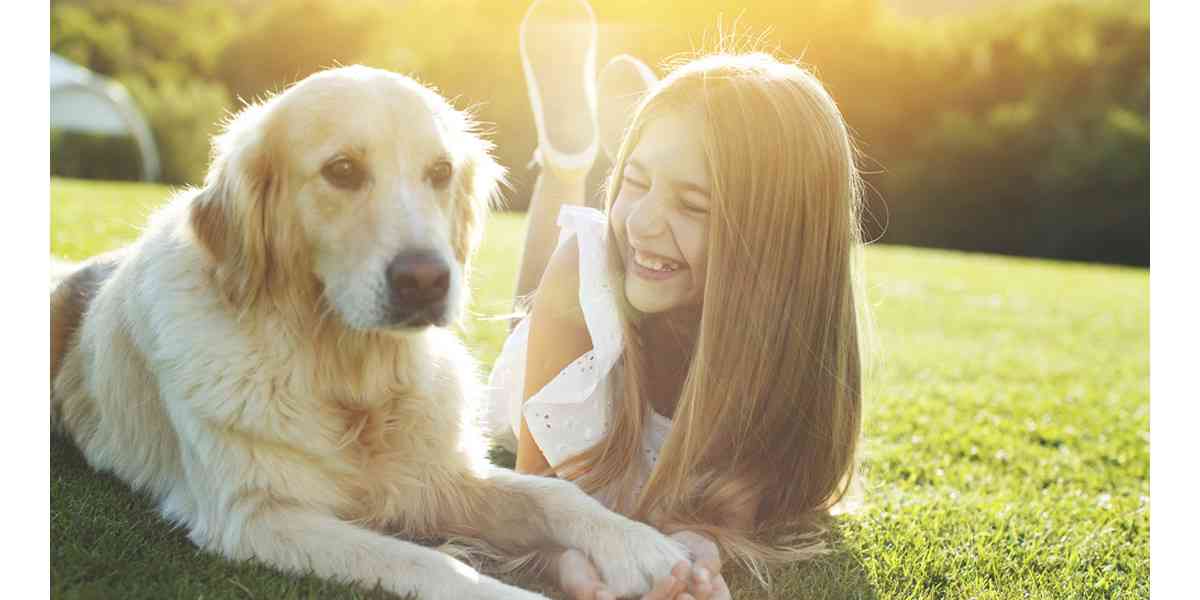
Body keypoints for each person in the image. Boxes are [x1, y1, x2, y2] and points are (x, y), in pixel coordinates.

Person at [488, 2, 871, 598]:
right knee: (544, 288)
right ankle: (568, 159)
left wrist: (695, 554)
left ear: (778, 244)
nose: (641, 220)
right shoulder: (585, 273)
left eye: (693, 204)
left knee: (621, 244)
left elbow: (721, 510)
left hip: (659, 294)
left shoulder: (784, 352)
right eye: (635, 183)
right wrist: (564, 563)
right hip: (570, 321)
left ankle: (646, 142)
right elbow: (535, 493)